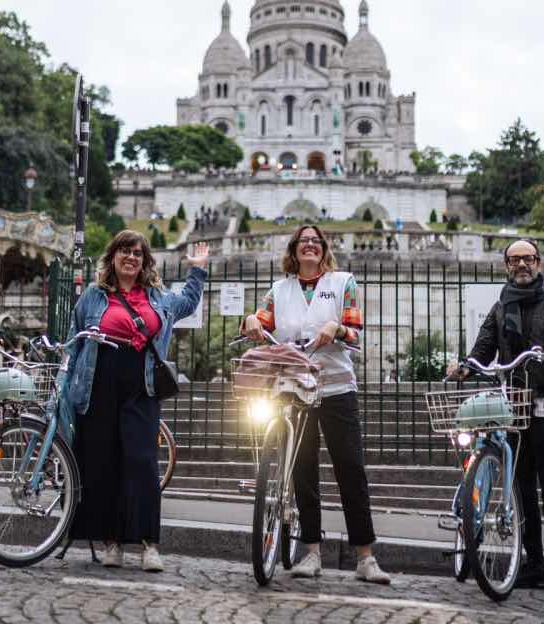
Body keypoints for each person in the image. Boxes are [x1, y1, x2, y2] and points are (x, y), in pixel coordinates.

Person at [241, 224, 391, 584]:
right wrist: (249, 321)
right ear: (293, 251)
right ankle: (310, 550)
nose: (310, 246)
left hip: (336, 386)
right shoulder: (280, 289)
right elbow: (262, 321)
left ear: (324, 250)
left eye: (316, 242)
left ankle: (365, 557)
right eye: (303, 242)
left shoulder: (343, 282)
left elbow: (354, 329)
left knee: (350, 469)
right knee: (302, 468)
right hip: (294, 386)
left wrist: (336, 328)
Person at [60, 231, 209, 572]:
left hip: (141, 383)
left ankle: (149, 544)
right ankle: (112, 543)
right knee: (103, 462)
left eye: (138, 253)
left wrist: (197, 271)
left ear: (145, 261)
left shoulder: (157, 296)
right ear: (112, 256)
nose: (131, 257)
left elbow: (187, 303)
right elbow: (76, 340)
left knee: (142, 462)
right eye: (125, 251)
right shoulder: (94, 297)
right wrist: (66, 382)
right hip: (98, 381)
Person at [449, 238, 544, 595]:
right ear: (506, 267)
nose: (521, 265)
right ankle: (533, 562)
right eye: (514, 261)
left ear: (538, 263)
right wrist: (463, 367)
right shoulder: (499, 308)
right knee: (521, 491)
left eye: (528, 259)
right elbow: (481, 350)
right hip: (514, 413)